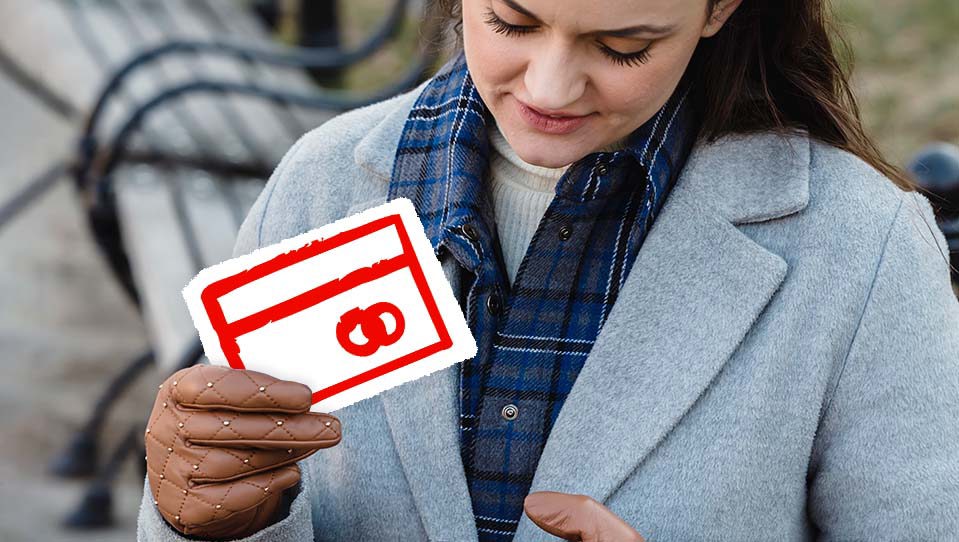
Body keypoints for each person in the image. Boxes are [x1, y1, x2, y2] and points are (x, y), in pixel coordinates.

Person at [137, 0, 959, 540]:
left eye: (622, 46)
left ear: (718, 10)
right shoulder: (320, 183)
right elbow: (235, 481)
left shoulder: (861, 241)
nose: (550, 87)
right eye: (512, 22)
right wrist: (198, 519)